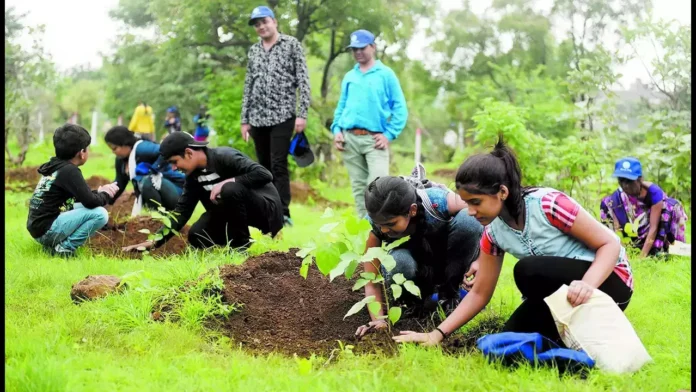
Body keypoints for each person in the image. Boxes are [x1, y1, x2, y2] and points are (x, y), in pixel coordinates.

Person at [392, 140, 634, 346]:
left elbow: (610, 244)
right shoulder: (493, 232)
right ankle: (575, 340)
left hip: (608, 284)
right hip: (564, 297)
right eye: (466, 203)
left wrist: (587, 284)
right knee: (506, 342)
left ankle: (580, 325)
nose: (470, 211)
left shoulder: (548, 205)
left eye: (476, 202)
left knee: (527, 271)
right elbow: (479, 293)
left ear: (503, 192)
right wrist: (437, 334)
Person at [355, 165, 484, 337]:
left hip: (445, 259)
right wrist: (378, 321)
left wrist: (481, 260)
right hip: (409, 267)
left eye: (391, 224)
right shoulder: (373, 225)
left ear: (412, 210)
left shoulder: (437, 201)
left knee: (470, 221)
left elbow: (483, 211)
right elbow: (371, 281)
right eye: (380, 226)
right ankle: (410, 306)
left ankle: (450, 295)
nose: (384, 230)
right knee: (399, 262)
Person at [123, 132, 284, 252]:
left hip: (266, 209)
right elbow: (181, 213)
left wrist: (228, 181)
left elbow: (265, 174)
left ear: (189, 153)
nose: (173, 168)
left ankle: (240, 247)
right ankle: (232, 243)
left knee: (229, 189)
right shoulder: (193, 177)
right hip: (233, 212)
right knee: (197, 235)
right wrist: (154, 241)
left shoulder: (224, 156)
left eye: (174, 162)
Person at [241, 5, 311, 227]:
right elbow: (248, 85)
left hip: (284, 115)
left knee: (278, 163)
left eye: (264, 21)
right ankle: (268, 210)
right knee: (263, 167)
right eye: (257, 24)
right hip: (257, 118)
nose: (261, 26)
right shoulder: (253, 51)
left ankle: (284, 212)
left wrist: (302, 114)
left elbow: (303, 81)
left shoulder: (291, 44)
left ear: (274, 21)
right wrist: (245, 119)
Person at [331, 29, 408, 219]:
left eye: (362, 48)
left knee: (378, 186)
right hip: (350, 138)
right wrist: (337, 129)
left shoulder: (386, 74)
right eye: (354, 49)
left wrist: (389, 134)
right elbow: (342, 106)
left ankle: (382, 226)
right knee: (358, 187)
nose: (358, 52)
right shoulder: (350, 76)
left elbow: (400, 107)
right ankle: (365, 230)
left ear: (372, 47)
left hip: (374, 140)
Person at [26, 124, 120, 257]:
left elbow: (82, 197)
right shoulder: (70, 171)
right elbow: (90, 203)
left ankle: (53, 246)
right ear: (81, 153)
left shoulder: (55, 166)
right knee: (100, 214)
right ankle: (64, 249)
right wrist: (106, 194)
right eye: (88, 149)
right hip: (47, 231)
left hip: (38, 228)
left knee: (84, 205)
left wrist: (98, 193)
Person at [600, 157, 688, 258]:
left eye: (629, 181)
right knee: (606, 203)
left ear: (639, 180)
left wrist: (642, 257)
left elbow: (653, 228)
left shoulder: (654, 193)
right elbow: (614, 227)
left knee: (672, 206)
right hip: (631, 235)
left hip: (652, 232)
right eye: (621, 180)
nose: (625, 185)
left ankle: (667, 249)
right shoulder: (616, 200)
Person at [104, 126, 185, 214]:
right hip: (160, 190)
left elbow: (164, 151)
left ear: (125, 143)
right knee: (144, 181)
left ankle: (158, 218)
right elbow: (120, 183)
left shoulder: (142, 148)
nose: (113, 152)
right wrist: (105, 200)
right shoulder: (121, 160)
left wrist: (153, 170)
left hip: (176, 191)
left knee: (146, 181)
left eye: (115, 148)